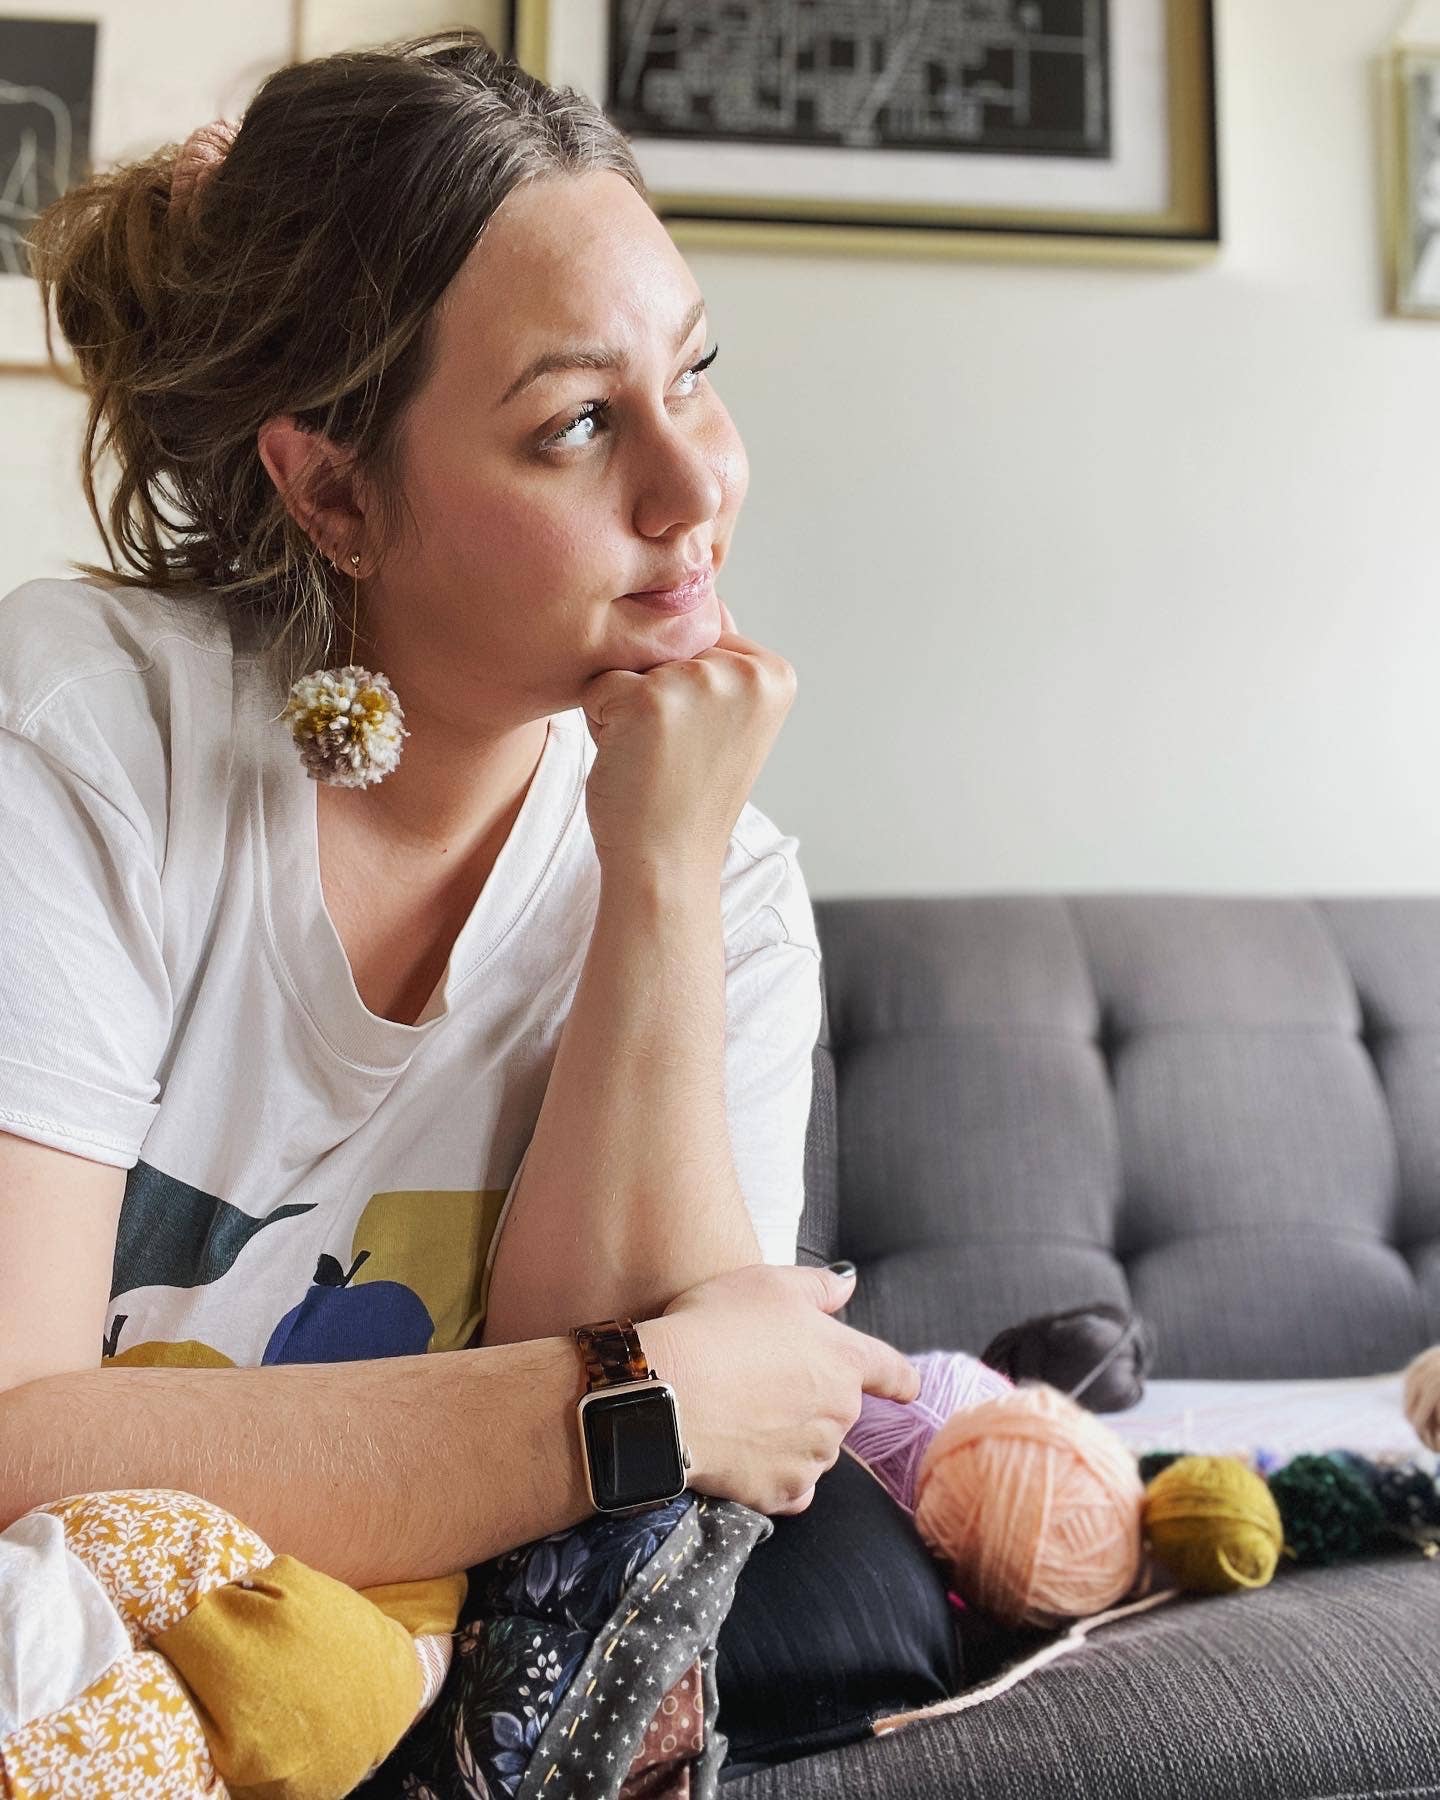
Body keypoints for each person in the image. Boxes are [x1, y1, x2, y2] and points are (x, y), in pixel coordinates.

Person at [0, 31, 918, 1594]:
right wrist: (627, 1405)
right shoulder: (85, 735)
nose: (693, 487)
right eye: (577, 423)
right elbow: (13, 1455)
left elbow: (612, 1569)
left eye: (693, 372)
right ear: (337, 496)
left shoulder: (726, 884)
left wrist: (660, 878)